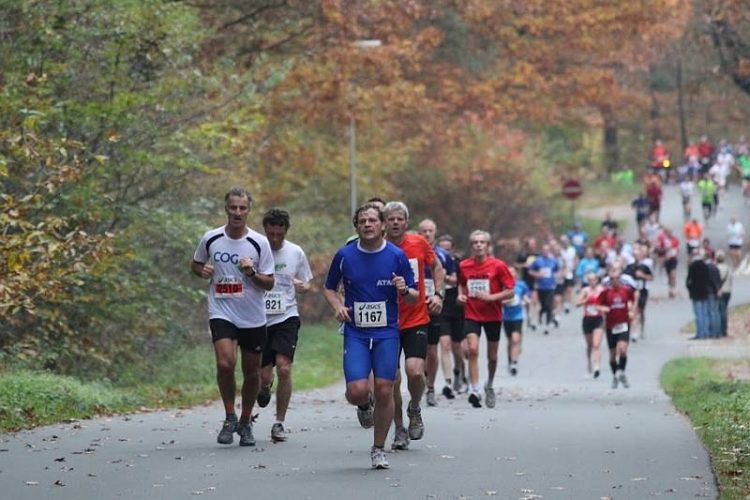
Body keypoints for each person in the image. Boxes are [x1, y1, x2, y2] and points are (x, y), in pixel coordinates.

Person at [323, 202, 418, 469]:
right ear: (357, 226)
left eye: (372, 220)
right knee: (357, 391)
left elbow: (414, 297)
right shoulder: (345, 255)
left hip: (387, 332)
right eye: (362, 221)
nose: (367, 225)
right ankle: (363, 405)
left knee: (385, 389)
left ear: (383, 225)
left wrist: (403, 289)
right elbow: (329, 288)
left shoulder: (397, 256)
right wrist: (338, 306)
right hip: (356, 332)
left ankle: (378, 448)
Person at [191, 187, 275, 447]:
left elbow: (269, 283)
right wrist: (201, 270)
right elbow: (195, 264)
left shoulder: (259, 243)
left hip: (252, 315)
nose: (237, 212)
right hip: (221, 310)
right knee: (225, 364)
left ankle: (246, 421)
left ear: (249, 211)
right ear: (226, 209)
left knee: (252, 373)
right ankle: (229, 415)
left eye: (242, 208)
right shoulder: (211, 238)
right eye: (233, 208)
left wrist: (251, 273)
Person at [383, 201, 444, 451]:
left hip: (416, 317)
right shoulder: (377, 247)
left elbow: (437, 266)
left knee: (415, 371)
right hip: (386, 321)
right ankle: (399, 428)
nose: (395, 222)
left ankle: (415, 407)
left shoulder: (419, 243)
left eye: (400, 219)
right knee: (393, 379)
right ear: (384, 222)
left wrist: (439, 294)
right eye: (391, 219)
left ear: (406, 222)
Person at [256, 209, 313, 443]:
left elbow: (308, 282)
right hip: (258, 319)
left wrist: (303, 286)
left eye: (279, 234)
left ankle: (279, 422)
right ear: (265, 231)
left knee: (284, 368)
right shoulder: (255, 250)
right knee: (263, 375)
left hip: (287, 317)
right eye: (271, 234)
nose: (275, 239)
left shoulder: (295, 252)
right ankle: (263, 388)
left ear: (285, 231)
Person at [458, 230, 515, 408]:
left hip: (493, 315)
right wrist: (460, 296)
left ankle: (489, 384)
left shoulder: (498, 266)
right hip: (472, 313)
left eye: (482, 242)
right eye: (475, 242)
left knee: (492, 356)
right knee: (473, 350)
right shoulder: (464, 266)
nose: (479, 245)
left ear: (488, 246)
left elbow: (511, 291)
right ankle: (474, 389)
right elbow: (461, 283)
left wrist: (491, 298)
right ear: (471, 246)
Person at [418, 219, 456, 406]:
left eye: (430, 230)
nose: (427, 234)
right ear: (419, 232)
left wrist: (440, 283)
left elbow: (454, 279)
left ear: (435, 233)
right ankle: (419, 378)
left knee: (432, 349)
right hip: (414, 306)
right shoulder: (411, 251)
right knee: (420, 350)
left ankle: (431, 387)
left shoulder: (442, 254)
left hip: (435, 305)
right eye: (423, 230)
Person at [437, 234, 468, 394]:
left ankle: (459, 371)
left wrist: (446, 277)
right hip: (441, 306)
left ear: (453, 249)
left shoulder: (458, 263)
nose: (445, 252)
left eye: (448, 249)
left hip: (457, 307)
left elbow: (462, 282)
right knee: (444, 344)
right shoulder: (433, 261)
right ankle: (448, 382)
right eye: (442, 249)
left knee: (457, 348)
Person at [597, 264, 636, 389]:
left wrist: (631, 310)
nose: (615, 281)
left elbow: (634, 298)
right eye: (612, 279)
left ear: (620, 279)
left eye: (617, 278)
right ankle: (617, 375)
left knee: (623, 349)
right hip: (610, 325)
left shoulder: (626, 290)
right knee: (613, 355)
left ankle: (620, 371)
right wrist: (603, 308)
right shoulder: (606, 292)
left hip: (623, 323)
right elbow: (597, 304)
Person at [501, 266, 531, 376]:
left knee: (515, 339)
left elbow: (527, 295)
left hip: (518, 316)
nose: (511, 274)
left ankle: (514, 363)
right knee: (510, 341)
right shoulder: (503, 286)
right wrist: (504, 301)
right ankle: (510, 360)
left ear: (516, 274)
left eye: (513, 272)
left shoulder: (521, 285)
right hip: (506, 317)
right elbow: (498, 299)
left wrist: (526, 299)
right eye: (509, 272)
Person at [685, 249, 719, 340]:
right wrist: (715, 290)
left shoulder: (692, 266)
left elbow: (688, 281)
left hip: (695, 294)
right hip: (704, 292)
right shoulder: (705, 266)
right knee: (705, 313)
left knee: (698, 314)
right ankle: (706, 332)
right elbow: (709, 280)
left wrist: (690, 290)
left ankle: (700, 333)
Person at [576, 272, 605, 378]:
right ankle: (589, 363)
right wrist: (585, 300)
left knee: (596, 344)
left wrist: (600, 306)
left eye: (594, 279)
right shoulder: (585, 291)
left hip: (598, 319)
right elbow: (577, 304)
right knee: (589, 345)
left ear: (597, 280)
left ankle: (597, 366)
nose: (592, 282)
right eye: (590, 280)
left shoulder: (602, 290)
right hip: (587, 319)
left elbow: (607, 304)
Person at [623, 244, 654, 340]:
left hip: (643, 290)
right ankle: (634, 331)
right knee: (634, 311)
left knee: (641, 311)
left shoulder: (645, 266)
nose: (637, 256)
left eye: (638, 254)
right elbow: (625, 278)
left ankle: (642, 329)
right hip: (632, 291)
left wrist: (643, 275)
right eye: (635, 255)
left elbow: (651, 277)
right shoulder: (629, 267)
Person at [529, 243, 560, 334]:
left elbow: (558, 270)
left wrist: (557, 276)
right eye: (544, 250)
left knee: (548, 305)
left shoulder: (553, 260)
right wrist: (537, 274)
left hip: (550, 286)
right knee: (542, 305)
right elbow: (530, 271)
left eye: (547, 250)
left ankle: (547, 325)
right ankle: (542, 317)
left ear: (549, 251)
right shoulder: (537, 260)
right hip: (540, 286)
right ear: (542, 251)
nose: (545, 252)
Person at [657, 227, 680, 298]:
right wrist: (664, 249)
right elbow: (659, 249)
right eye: (667, 232)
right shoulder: (663, 240)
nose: (669, 234)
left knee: (673, 274)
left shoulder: (675, 239)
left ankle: (674, 289)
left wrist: (675, 253)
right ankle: (670, 289)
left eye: (670, 232)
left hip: (673, 259)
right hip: (667, 259)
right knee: (669, 276)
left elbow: (677, 248)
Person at [715, 251, 732, 337]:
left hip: (720, 291)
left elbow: (717, 280)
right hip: (728, 291)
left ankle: (721, 330)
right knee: (724, 310)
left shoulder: (717, 268)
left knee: (720, 311)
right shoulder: (728, 268)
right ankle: (724, 329)